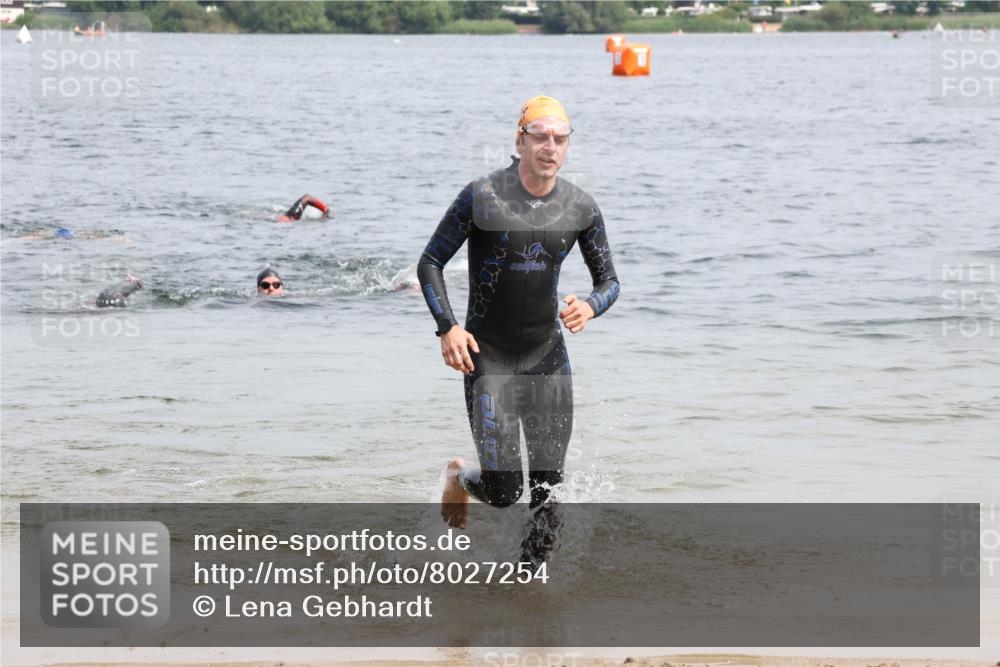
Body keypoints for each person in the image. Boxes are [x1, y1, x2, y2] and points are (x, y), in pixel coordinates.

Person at [417, 95, 620, 564]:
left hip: (546, 356)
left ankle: (533, 611)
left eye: (560, 138)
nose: (550, 146)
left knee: (548, 491)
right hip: (488, 357)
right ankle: (459, 477)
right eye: (540, 136)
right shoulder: (482, 196)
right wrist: (447, 328)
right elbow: (430, 263)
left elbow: (609, 282)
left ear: (568, 145)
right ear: (520, 141)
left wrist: (591, 307)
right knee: (506, 490)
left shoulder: (579, 207)